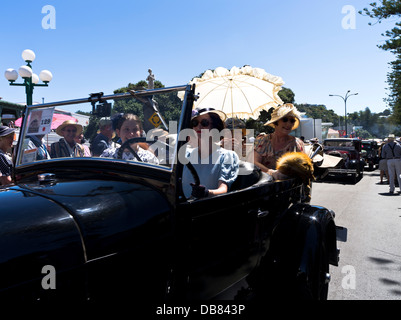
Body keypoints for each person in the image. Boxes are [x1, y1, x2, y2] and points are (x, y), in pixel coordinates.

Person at [182, 107, 239, 199]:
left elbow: (223, 189)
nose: (198, 127)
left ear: (215, 127)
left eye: (204, 123)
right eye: (195, 123)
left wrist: (206, 192)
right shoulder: (185, 154)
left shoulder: (227, 156)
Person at [253, 103, 304, 176]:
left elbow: (303, 167)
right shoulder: (263, 140)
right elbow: (254, 162)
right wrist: (271, 172)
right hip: (264, 183)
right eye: (285, 120)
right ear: (275, 122)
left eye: (292, 121)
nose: (289, 124)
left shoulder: (297, 144)